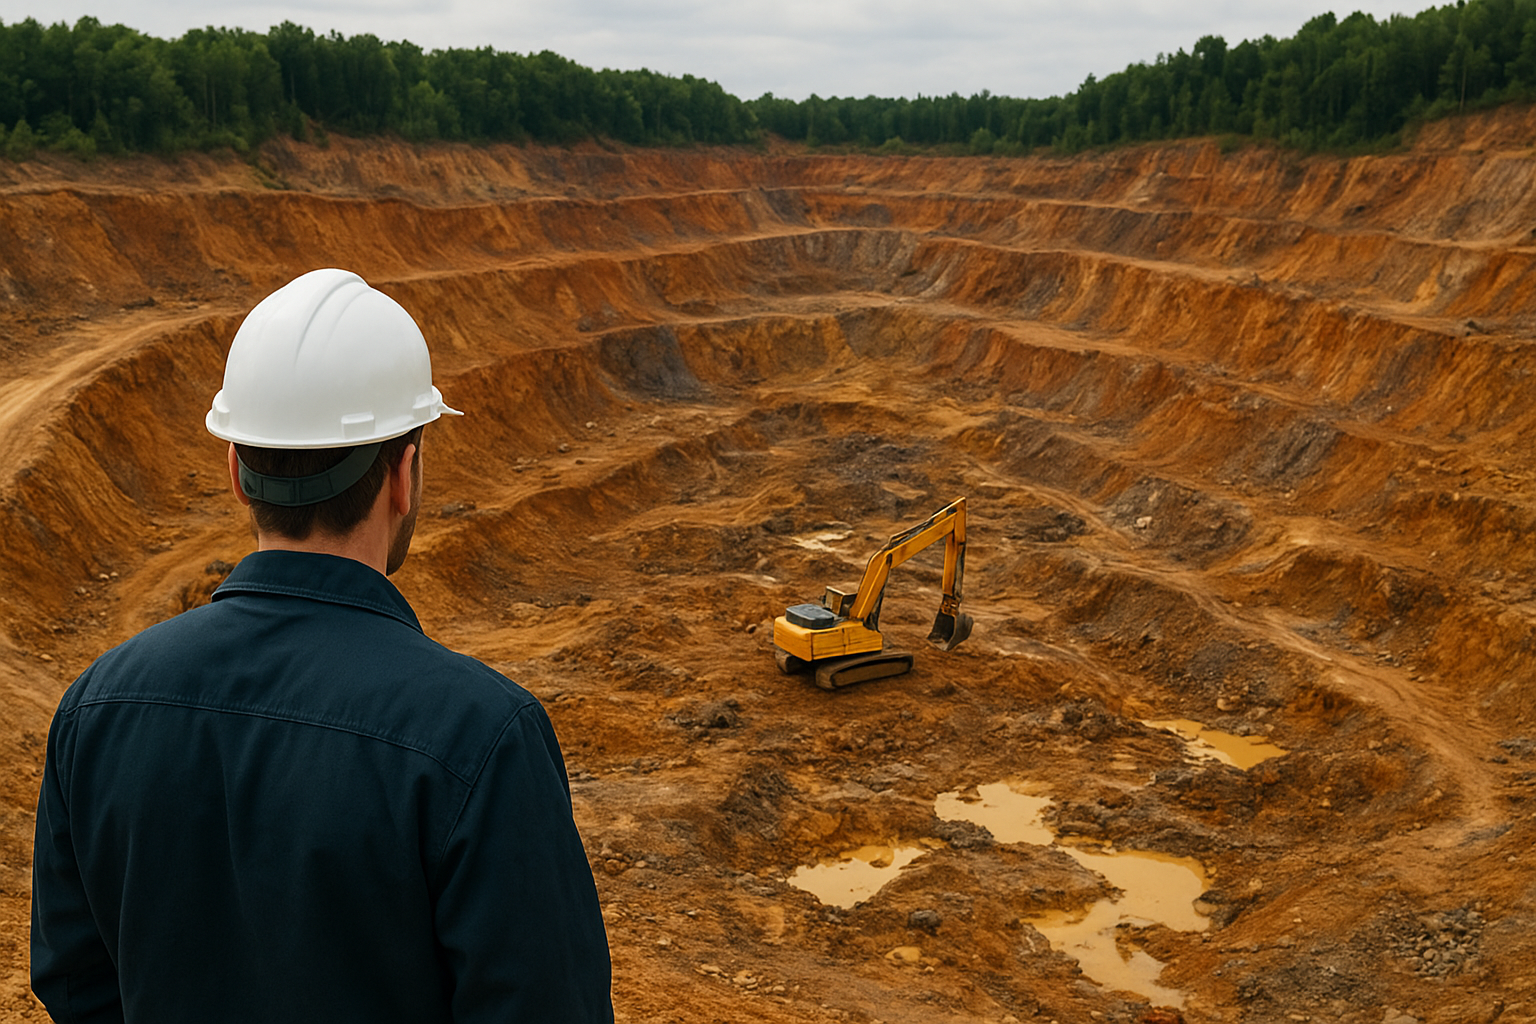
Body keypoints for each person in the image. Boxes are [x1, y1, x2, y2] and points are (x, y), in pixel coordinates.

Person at [31, 268, 613, 1023]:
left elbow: (77, 985)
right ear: (404, 474)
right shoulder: (482, 738)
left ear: (237, 472)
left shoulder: (96, 710)